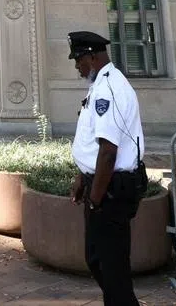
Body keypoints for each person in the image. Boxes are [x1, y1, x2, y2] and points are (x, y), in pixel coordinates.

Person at [68, 30, 146, 306]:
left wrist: (96, 199)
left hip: (111, 189)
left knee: (111, 269)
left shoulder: (107, 89)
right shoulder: (100, 84)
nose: (77, 67)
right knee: (98, 261)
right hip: (102, 184)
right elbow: (93, 142)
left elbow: (109, 151)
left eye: (78, 60)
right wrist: (82, 176)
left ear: (91, 56)